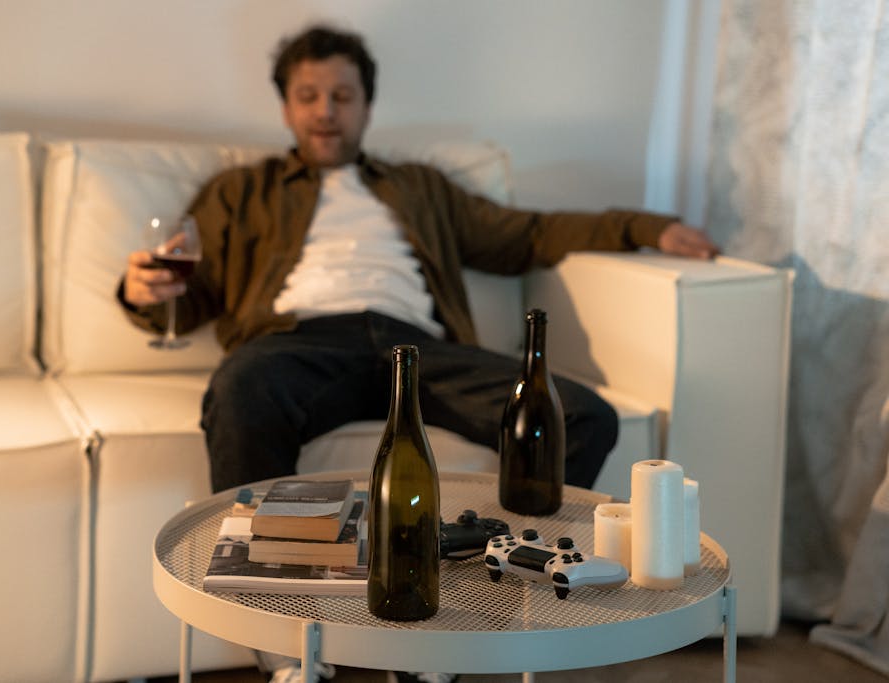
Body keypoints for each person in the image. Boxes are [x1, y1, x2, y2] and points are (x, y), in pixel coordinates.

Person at [119, 23, 719, 683]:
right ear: (287, 107)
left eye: (342, 95)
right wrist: (141, 289)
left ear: (366, 107)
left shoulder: (418, 186)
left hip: (419, 348)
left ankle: (455, 621)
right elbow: (186, 291)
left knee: (581, 415)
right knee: (240, 390)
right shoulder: (240, 191)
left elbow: (526, 234)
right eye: (309, 95)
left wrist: (644, 226)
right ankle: (284, 645)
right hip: (299, 343)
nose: (325, 110)